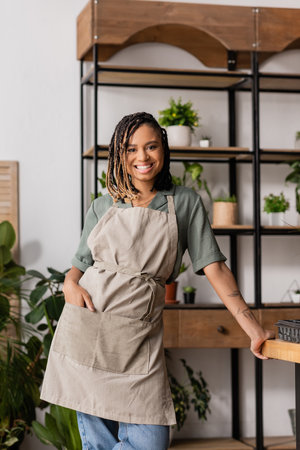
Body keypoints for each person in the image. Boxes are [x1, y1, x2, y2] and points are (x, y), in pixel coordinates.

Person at [41, 112, 274, 450]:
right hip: (90, 330)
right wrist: (69, 285)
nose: (142, 157)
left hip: (140, 338)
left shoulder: (185, 203)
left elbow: (215, 268)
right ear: (120, 155)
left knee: (150, 442)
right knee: (100, 443)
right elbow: (78, 265)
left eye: (150, 146)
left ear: (163, 150)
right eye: (131, 148)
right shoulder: (102, 205)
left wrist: (252, 327)